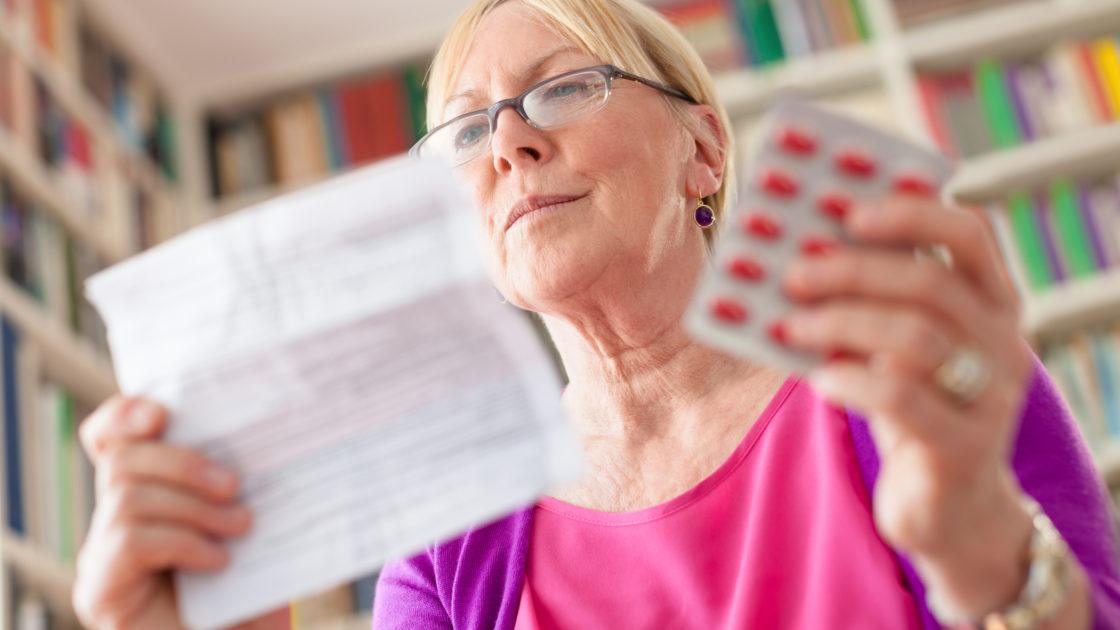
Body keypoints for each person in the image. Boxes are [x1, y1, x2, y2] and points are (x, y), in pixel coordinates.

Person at [72, 0, 1120, 628]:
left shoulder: (908, 385)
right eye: (467, 131)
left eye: (562, 89)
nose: (508, 146)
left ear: (703, 151)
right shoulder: (448, 538)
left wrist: (981, 550)